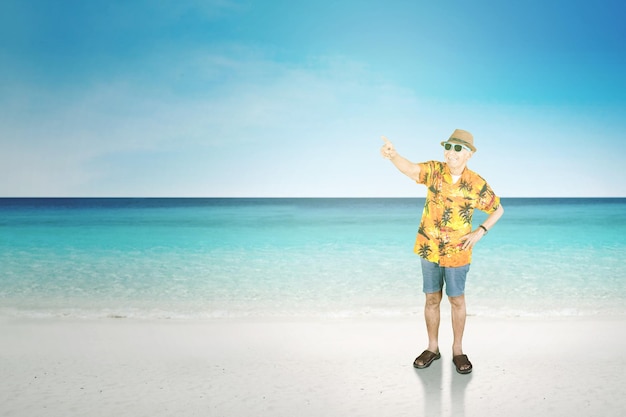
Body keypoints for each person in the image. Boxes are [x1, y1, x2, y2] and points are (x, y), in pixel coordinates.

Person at [380, 129, 504, 374]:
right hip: (430, 248)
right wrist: (394, 156)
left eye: (458, 148)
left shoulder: (476, 183)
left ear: (468, 154)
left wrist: (480, 231)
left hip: (458, 251)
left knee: (456, 300)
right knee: (431, 298)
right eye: (448, 147)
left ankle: (458, 351)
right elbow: (411, 169)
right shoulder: (435, 171)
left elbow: (498, 209)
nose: (451, 152)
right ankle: (432, 348)